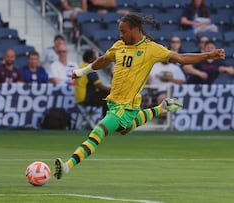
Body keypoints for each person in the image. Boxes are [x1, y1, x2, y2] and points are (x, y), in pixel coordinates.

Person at [54, 13, 225, 180]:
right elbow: (103, 60)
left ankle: (68, 166)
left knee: (99, 131)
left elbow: (181, 57)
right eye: (120, 31)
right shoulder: (119, 45)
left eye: (123, 31)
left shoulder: (151, 49)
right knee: (126, 128)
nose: (120, 35)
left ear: (135, 30)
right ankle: (162, 107)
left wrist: (208, 55)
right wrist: (81, 72)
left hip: (126, 105)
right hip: (114, 103)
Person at [75, 49, 110, 117]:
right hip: (87, 97)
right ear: (91, 59)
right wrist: (112, 89)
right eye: (95, 57)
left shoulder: (82, 67)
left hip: (80, 98)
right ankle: (106, 122)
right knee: (109, 96)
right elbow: (99, 86)